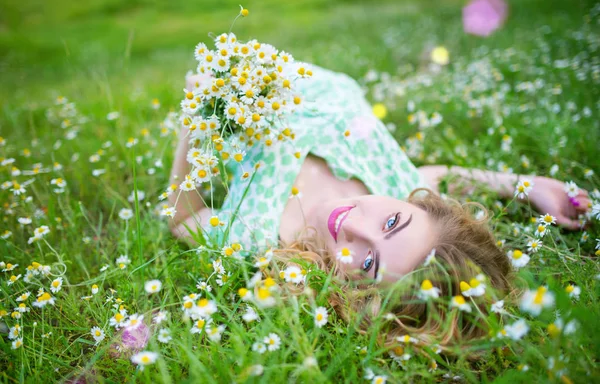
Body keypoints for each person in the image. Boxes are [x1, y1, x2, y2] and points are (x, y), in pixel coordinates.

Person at [168, 63, 590, 348]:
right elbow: (436, 175)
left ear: (357, 296)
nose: (354, 228)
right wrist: (524, 184)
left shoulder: (258, 234)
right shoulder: (395, 181)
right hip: (305, 78)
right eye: (392, 221)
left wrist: (193, 115)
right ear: (418, 204)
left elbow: (182, 219)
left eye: (368, 264)